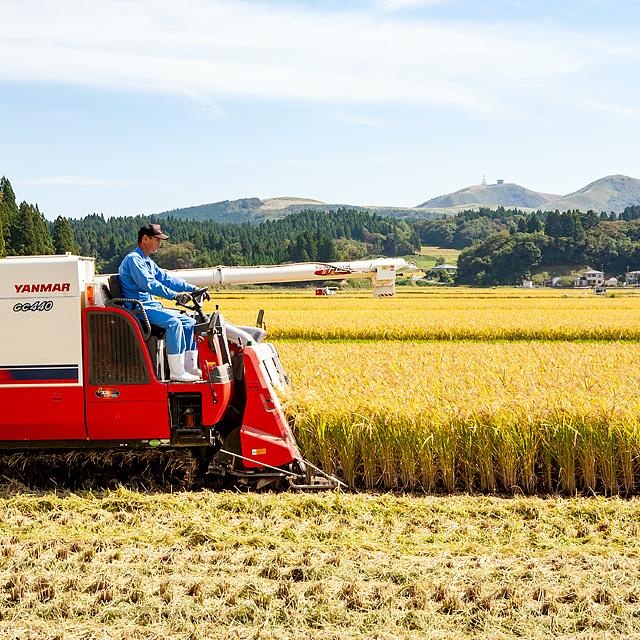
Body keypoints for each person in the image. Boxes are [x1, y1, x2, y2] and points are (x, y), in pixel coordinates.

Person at [119, 223, 201, 382]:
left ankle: (190, 367)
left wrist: (193, 288)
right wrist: (176, 296)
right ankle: (177, 372)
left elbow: (166, 279)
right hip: (139, 308)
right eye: (156, 239)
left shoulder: (147, 261)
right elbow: (149, 284)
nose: (159, 243)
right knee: (174, 323)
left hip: (151, 306)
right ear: (145, 239)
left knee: (189, 322)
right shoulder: (134, 260)